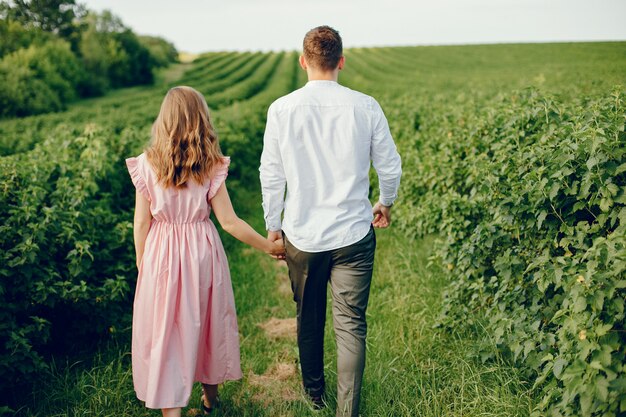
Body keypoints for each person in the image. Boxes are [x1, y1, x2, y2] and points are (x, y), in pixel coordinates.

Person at [259, 26, 402, 417]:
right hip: (354, 232)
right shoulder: (366, 106)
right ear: (341, 61)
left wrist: (274, 225)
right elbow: (389, 165)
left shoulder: (281, 109)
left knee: (309, 318)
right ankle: (346, 410)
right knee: (351, 323)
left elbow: (271, 174)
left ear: (303, 61)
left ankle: (314, 395)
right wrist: (385, 202)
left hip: (302, 236)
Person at [126, 86, 285, 417]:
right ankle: (209, 399)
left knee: (165, 329)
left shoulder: (147, 164)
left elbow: (141, 223)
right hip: (201, 251)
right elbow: (229, 222)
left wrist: (144, 262)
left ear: (164, 120)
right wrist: (268, 246)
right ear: (202, 119)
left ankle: (172, 410)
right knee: (207, 321)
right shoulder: (209, 164)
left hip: (161, 253)